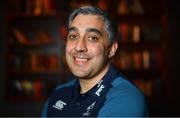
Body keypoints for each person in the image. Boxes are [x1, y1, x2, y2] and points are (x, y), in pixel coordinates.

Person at [42, 6, 148, 117]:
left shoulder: (126, 98)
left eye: (92, 38)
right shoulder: (59, 92)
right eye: (73, 36)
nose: (79, 47)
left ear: (111, 49)